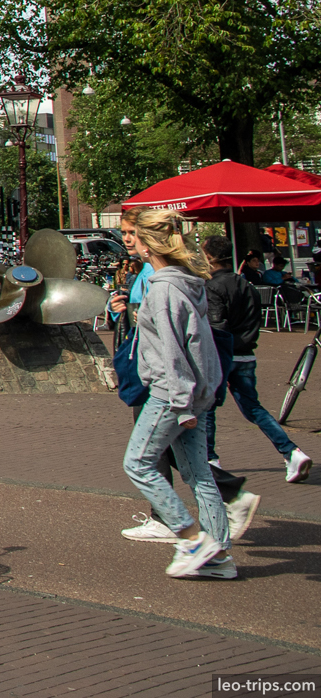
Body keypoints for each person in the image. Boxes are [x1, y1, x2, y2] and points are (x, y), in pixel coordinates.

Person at [118, 206, 237, 579]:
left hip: (172, 394)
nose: (130, 241)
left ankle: (192, 539)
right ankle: (219, 556)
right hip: (195, 392)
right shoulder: (187, 282)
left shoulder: (163, 290)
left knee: (137, 464)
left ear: (149, 245)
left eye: (134, 235)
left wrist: (183, 405)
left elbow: (173, 353)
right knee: (198, 473)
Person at [204, 236, 312, 483]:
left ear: (209, 258)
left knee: (208, 407)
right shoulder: (247, 285)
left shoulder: (213, 287)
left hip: (223, 354)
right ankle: (291, 452)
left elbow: (216, 325)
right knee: (253, 408)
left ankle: (210, 460)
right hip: (246, 354)